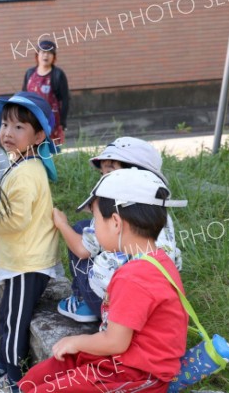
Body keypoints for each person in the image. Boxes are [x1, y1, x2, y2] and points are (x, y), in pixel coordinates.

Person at [19, 168, 189, 393]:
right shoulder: (159, 260)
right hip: (119, 360)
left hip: (134, 373)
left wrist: (76, 341)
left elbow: (115, 342)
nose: (94, 227)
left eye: (96, 219)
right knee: (37, 377)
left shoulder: (135, 276)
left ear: (116, 222)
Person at [0, 92, 60, 393]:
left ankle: (10, 379)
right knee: (6, 317)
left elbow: (14, 221)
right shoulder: (22, 163)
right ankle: (1, 367)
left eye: (19, 127)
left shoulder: (25, 173)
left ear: (37, 136)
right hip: (22, 259)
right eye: (6, 124)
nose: (8, 132)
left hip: (28, 262)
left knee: (13, 322)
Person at [54, 137, 182, 323]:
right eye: (102, 174)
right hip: (152, 304)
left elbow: (83, 250)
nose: (103, 180)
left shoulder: (111, 211)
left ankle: (83, 301)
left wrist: (62, 224)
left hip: (112, 307)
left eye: (110, 173)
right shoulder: (159, 212)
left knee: (80, 228)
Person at [22, 40, 69, 144]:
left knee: (52, 151)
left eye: (49, 53)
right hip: (32, 119)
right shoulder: (30, 73)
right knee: (33, 147)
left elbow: (65, 99)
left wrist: (62, 122)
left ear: (54, 57)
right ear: (37, 55)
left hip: (52, 122)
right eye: (43, 52)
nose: (45, 56)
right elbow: (23, 97)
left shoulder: (58, 74)